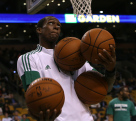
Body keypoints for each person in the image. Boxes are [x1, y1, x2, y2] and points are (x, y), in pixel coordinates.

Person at [17, 16, 116, 121]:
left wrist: (110, 70)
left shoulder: (78, 57)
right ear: (39, 30)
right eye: (51, 23)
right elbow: (34, 97)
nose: (56, 27)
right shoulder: (29, 58)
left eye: (59, 25)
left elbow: (105, 88)